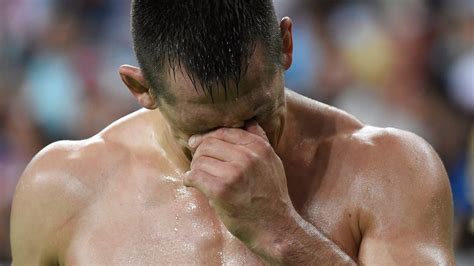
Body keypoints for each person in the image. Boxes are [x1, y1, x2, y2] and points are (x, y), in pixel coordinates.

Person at [10, 0, 454, 264]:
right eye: (203, 125)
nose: (242, 146)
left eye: (257, 114)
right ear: (140, 87)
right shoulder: (61, 188)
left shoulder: (389, 169)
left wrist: (284, 234)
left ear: (286, 46)